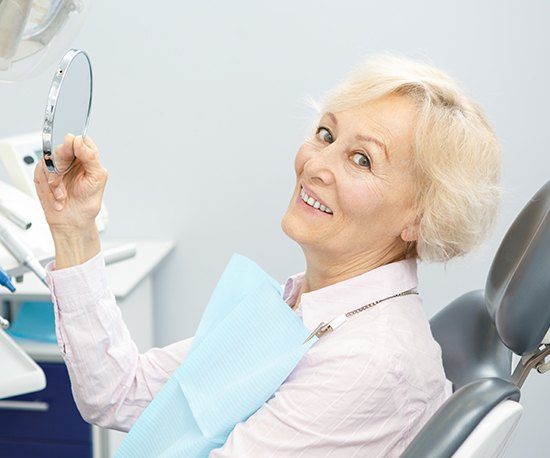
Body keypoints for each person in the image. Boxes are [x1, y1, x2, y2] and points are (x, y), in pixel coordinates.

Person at [34, 53, 501, 457]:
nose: (315, 165)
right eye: (325, 133)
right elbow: (118, 393)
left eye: (362, 159)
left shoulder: (369, 363)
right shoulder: (304, 304)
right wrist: (75, 229)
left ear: (421, 218)